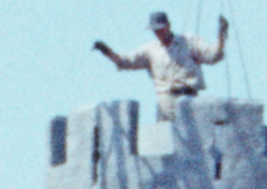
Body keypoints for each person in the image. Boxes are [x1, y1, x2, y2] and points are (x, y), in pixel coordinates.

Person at [93, 11, 228, 119]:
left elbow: (212, 56)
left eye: (160, 29)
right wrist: (107, 52)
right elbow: (125, 62)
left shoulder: (188, 42)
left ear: (168, 26)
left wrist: (221, 37)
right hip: (166, 104)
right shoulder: (150, 50)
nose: (158, 33)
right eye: (155, 31)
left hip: (189, 100)